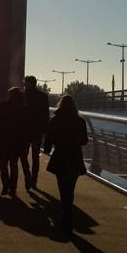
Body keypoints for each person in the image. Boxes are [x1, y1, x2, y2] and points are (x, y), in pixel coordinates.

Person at [43, 94, 88, 233]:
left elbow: (49, 137)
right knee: (70, 187)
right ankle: (68, 214)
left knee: (63, 187)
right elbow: (84, 140)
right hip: (74, 157)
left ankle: (66, 215)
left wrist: (47, 148)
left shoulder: (56, 120)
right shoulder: (80, 121)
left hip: (60, 156)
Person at [0, 87, 31, 196]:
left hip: (4, 139)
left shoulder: (4, 106)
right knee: (13, 164)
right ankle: (13, 187)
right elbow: (26, 126)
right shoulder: (24, 108)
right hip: (17, 141)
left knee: (3, 164)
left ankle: (5, 185)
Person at [23, 75, 50, 190]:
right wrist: (44, 131)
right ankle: (34, 180)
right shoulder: (43, 96)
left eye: (25, 82)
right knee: (35, 157)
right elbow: (46, 115)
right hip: (37, 132)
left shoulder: (22, 96)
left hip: (24, 131)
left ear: (28, 83)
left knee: (23, 155)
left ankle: (27, 174)